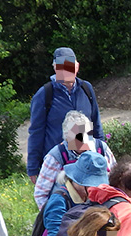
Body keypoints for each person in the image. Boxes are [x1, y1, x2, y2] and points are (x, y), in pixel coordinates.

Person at [27, 47, 104, 183]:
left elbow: (96, 124)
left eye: (70, 66)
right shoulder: (45, 94)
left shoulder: (86, 89)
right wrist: (33, 167)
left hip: (86, 162)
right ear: (55, 69)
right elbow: (36, 132)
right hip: (56, 164)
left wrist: (101, 153)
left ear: (77, 67)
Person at [33, 110, 117, 209]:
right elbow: (40, 194)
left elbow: (115, 182)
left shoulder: (102, 149)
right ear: (67, 138)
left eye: (86, 134)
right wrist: (52, 214)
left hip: (100, 210)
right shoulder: (56, 156)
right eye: (78, 137)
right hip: (67, 211)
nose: (83, 140)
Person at [41, 151, 110, 236]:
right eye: (93, 183)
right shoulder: (58, 200)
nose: (97, 187)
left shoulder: (94, 197)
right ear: (79, 180)